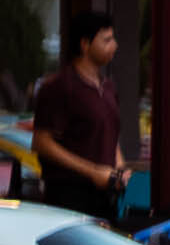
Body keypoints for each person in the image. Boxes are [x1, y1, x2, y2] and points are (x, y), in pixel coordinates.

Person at [29, 12, 133, 223]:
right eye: (106, 40)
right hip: (69, 196)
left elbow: (110, 134)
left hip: (105, 197)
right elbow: (42, 142)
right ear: (85, 44)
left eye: (113, 39)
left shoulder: (108, 87)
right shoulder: (59, 87)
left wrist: (119, 170)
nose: (114, 46)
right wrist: (92, 171)